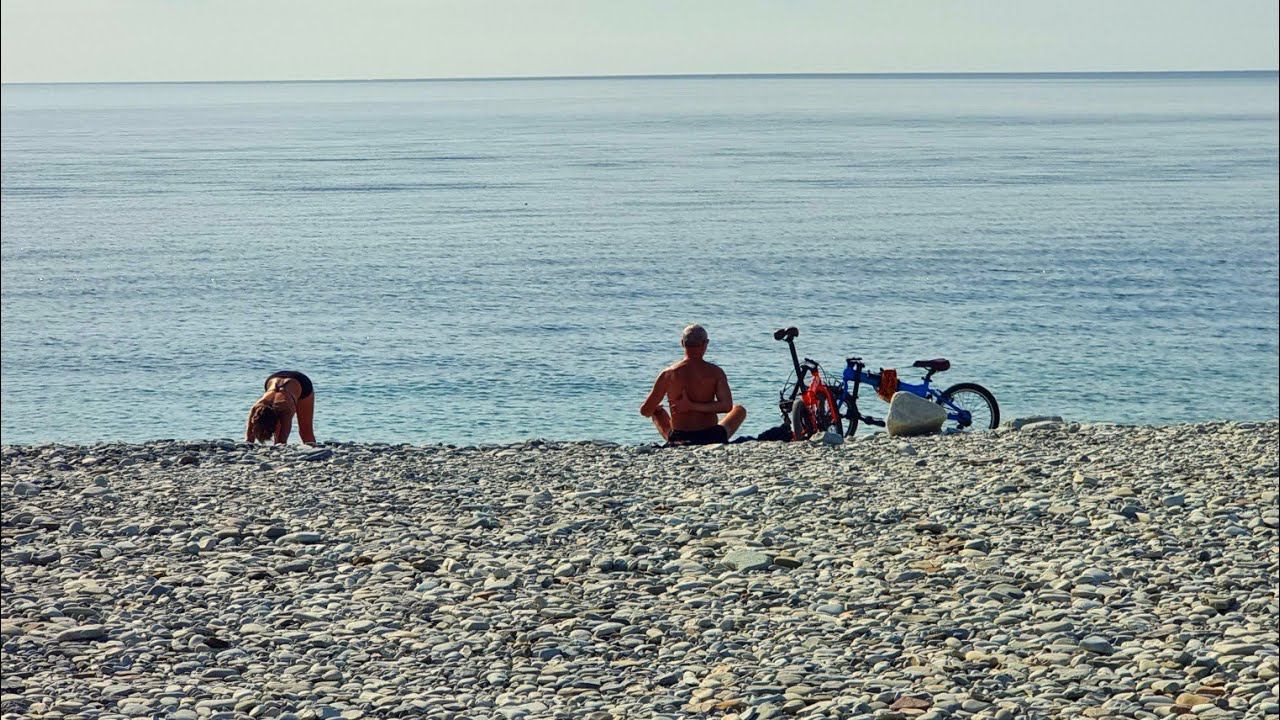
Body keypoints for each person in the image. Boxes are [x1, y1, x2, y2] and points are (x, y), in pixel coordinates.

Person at [640, 324, 747, 445]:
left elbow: (645, 411)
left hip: (679, 438)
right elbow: (726, 406)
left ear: (682, 343)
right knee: (739, 409)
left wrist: (688, 406)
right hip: (712, 436)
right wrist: (695, 406)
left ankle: (673, 436)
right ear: (705, 344)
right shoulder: (716, 372)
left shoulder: (668, 374)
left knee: (656, 411)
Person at [245, 370, 316, 445]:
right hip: (273, 379)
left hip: (302, 382)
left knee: (306, 432)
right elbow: (249, 440)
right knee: (277, 434)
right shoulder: (256, 408)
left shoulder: (286, 410)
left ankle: (315, 450)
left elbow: (282, 442)